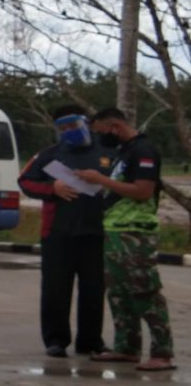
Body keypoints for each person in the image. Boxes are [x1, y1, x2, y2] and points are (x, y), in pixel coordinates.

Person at [77, 108, 176, 372]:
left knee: (144, 290)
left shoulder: (143, 151)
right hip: (115, 229)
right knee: (119, 292)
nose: (100, 138)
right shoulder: (124, 151)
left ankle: (162, 352)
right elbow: (120, 186)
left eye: (101, 132)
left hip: (135, 231)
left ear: (115, 127)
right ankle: (127, 347)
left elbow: (143, 191)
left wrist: (101, 180)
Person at [17, 104, 112, 358]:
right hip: (58, 233)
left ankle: (90, 341)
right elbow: (25, 181)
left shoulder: (108, 151)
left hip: (97, 232)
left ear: (86, 122)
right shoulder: (50, 154)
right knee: (55, 289)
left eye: (74, 124)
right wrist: (53, 188)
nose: (70, 130)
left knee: (93, 290)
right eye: (63, 127)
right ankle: (56, 340)